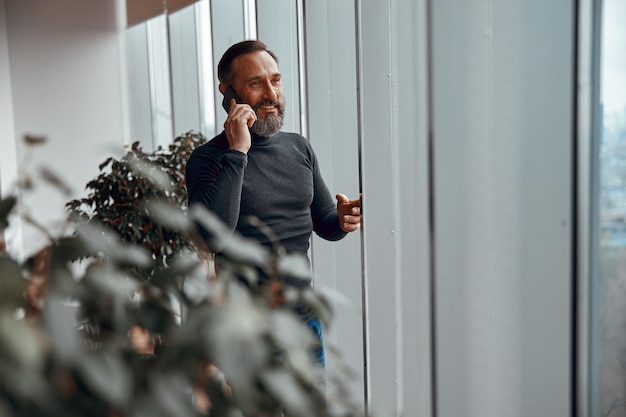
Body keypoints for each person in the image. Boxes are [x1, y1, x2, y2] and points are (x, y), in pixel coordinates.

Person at [185, 40, 361, 368]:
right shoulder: (208, 160)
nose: (271, 93)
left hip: (303, 324)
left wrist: (341, 217)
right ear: (227, 93)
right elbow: (209, 238)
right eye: (256, 83)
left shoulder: (299, 148)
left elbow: (323, 222)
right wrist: (238, 151)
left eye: (275, 80)